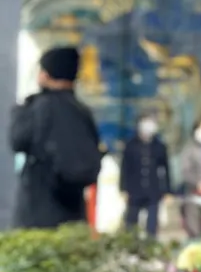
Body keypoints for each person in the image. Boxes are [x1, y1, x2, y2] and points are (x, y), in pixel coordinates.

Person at [10, 46, 102, 228]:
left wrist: (20, 112)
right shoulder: (82, 111)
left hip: (38, 206)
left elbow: (17, 140)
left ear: (44, 75)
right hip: (73, 208)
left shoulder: (39, 107)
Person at [121, 115, 170, 238]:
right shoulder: (131, 145)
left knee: (152, 222)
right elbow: (125, 168)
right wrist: (123, 188)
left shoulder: (159, 146)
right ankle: (130, 243)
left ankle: (150, 243)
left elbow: (165, 169)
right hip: (134, 188)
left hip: (153, 188)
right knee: (131, 221)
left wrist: (167, 190)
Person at [177, 119, 201, 239]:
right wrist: (198, 183)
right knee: (195, 227)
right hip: (193, 194)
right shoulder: (189, 149)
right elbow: (185, 171)